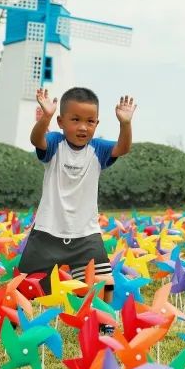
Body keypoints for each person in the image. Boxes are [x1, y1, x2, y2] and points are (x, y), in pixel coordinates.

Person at [17, 86, 135, 312]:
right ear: (61, 122)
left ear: (97, 124)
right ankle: (17, 321)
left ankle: (104, 323)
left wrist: (125, 123)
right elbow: (36, 139)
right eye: (75, 120)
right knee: (28, 287)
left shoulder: (98, 149)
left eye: (90, 121)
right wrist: (45, 118)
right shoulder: (55, 143)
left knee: (104, 283)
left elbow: (123, 148)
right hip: (47, 232)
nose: (83, 127)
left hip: (86, 234)